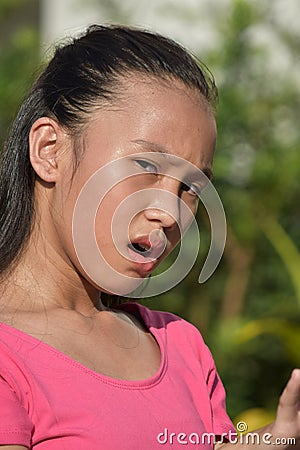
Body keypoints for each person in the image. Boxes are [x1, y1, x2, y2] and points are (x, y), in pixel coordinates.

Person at [0, 24, 298, 450]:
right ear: (50, 150)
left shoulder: (179, 345)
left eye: (191, 188)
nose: (169, 211)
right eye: (145, 165)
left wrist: (275, 441)